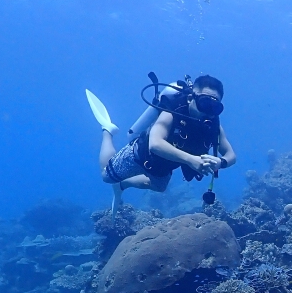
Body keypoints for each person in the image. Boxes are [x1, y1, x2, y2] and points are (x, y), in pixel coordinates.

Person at [93, 75, 236, 210]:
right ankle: (108, 130)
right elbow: (155, 144)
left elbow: (231, 155)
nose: (208, 112)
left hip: (165, 164)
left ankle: (123, 185)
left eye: (215, 107)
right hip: (139, 155)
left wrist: (221, 162)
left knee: (159, 187)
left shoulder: (213, 125)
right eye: (205, 103)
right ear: (190, 98)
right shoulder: (172, 111)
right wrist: (191, 159)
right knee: (106, 177)